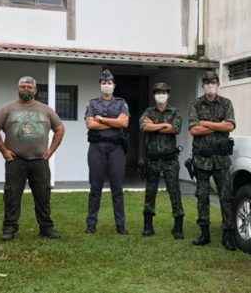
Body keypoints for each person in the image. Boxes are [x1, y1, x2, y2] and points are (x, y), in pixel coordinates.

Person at [0, 76, 65, 240]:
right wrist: (4, 151)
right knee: (12, 195)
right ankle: (9, 228)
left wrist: (50, 151)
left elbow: (59, 128)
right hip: (15, 160)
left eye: (30, 87)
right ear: (18, 89)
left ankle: (46, 228)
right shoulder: (8, 109)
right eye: (23, 86)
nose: (26, 89)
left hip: (39, 161)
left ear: (35, 90)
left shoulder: (46, 110)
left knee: (43, 196)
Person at [188, 71, 238, 250]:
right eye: (207, 83)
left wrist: (207, 124)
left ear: (218, 85)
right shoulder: (195, 104)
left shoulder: (226, 103)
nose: (210, 86)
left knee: (226, 196)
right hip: (202, 158)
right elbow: (194, 130)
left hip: (221, 159)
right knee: (202, 196)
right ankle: (204, 233)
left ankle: (229, 235)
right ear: (203, 86)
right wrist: (218, 126)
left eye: (213, 83)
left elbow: (230, 126)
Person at [84, 69, 130, 235]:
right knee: (95, 188)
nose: (107, 85)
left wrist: (102, 119)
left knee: (117, 188)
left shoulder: (121, 103)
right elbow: (90, 124)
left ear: (114, 85)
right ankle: (91, 224)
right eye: (104, 83)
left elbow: (124, 123)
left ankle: (120, 225)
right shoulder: (92, 103)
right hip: (97, 148)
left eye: (109, 83)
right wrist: (113, 123)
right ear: (100, 85)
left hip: (116, 149)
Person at [140, 82, 184, 239]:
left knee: (174, 192)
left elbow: (175, 129)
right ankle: (148, 226)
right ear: (154, 95)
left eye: (164, 92)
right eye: (158, 92)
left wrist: (156, 125)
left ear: (168, 94)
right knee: (150, 193)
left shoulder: (175, 111)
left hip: (170, 159)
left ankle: (178, 227)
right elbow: (144, 127)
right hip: (152, 159)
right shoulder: (148, 111)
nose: (161, 94)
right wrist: (164, 125)